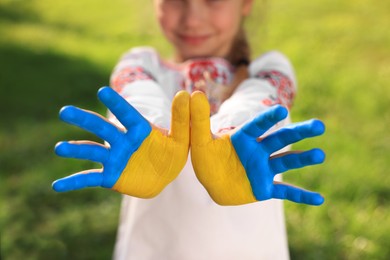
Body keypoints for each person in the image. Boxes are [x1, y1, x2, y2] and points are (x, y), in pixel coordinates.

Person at [53, 0, 326, 259]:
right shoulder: (140, 65)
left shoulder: (268, 70)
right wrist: (154, 133)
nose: (192, 19)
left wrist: (228, 135)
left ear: (245, 3)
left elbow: (259, 100)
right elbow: (139, 97)